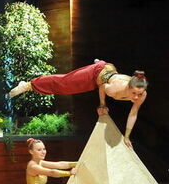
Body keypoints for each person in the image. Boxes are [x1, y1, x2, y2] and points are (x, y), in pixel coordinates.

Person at [8, 60, 147, 148]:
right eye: (134, 93)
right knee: (65, 84)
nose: (136, 97)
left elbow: (133, 113)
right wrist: (102, 105)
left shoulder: (141, 93)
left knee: (67, 88)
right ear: (128, 87)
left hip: (107, 72)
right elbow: (103, 88)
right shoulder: (116, 88)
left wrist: (127, 136)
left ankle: (100, 62)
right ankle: (28, 85)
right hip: (96, 73)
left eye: (139, 94)